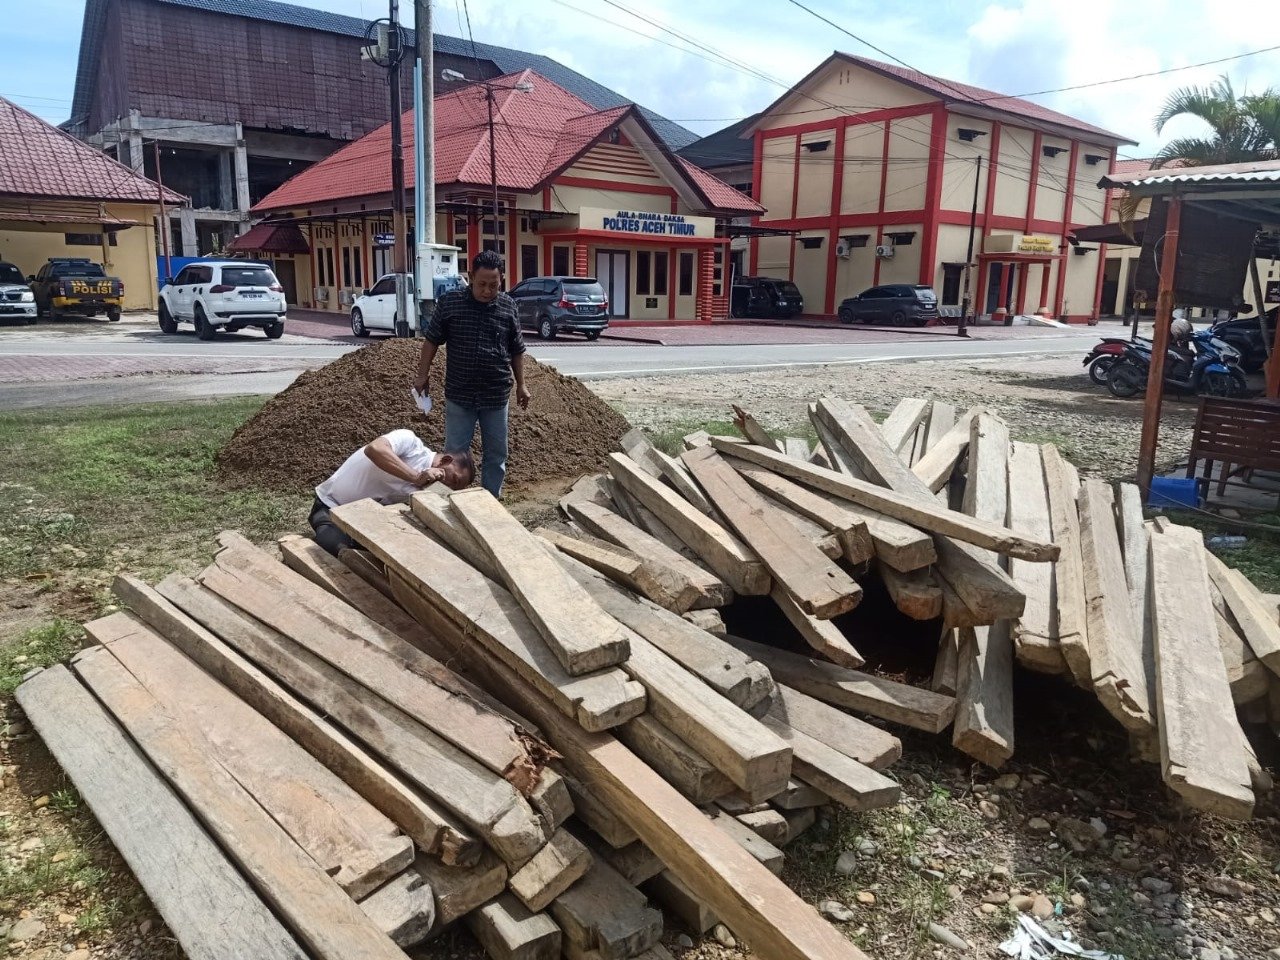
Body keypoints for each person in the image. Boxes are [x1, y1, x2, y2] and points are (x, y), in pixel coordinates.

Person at [413, 249, 530, 499]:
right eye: (482, 285)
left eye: (494, 285)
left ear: (501, 280)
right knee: (454, 454)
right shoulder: (451, 303)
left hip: (496, 395)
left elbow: (517, 349)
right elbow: (431, 341)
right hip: (460, 393)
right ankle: (452, 502)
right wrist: (422, 375)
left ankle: (490, 500)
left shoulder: (508, 306)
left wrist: (522, 385)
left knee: (497, 454)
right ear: (470, 277)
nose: (488, 291)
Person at [309, 429, 474, 555]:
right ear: (445, 461)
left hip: (360, 521)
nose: (449, 486)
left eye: (454, 488)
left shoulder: (426, 491)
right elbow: (374, 449)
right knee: (339, 551)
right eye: (454, 479)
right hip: (330, 506)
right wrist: (416, 477)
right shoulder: (410, 442)